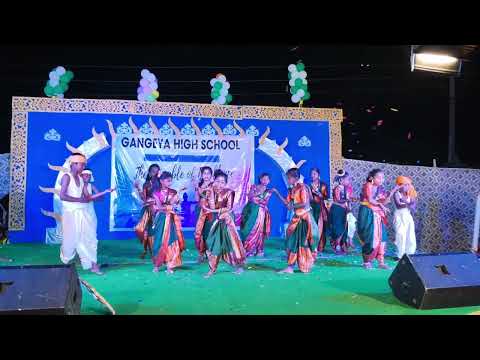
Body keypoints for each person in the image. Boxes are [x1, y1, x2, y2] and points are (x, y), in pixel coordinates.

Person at [59, 153, 102, 274]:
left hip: (85, 213)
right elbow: (62, 196)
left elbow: (87, 197)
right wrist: (79, 200)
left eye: (84, 164)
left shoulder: (82, 179)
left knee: (90, 238)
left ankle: (93, 264)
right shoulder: (66, 177)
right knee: (70, 241)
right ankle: (66, 259)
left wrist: (100, 194)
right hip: (70, 214)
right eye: (81, 164)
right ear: (73, 164)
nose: (83, 166)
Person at [273, 168, 320, 274]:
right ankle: (290, 267)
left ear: (295, 178)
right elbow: (288, 204)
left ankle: (305, 265)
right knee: (292, 241)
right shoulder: (291, 189)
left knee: (304, 242)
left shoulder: (302, 188)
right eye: (287, 178)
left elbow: (304, 203)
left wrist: (293, 205)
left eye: (289, 178)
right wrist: (277, 194)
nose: (287, 180)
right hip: (296, 218)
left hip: (304, 218)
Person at [203, 169, 246, 278]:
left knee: (232, 243)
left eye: (222, 182)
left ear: (226, 183)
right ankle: (212, 269)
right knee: (214, 243)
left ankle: (239, 266)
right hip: (216, 221)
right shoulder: (210, 191)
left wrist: (213, 211)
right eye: (218, 181)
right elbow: (206, 204)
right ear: (214, 180)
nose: (220, 184)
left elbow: (229, 208)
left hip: (227, 220)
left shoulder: (229, 192)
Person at [357, 169, 399, 270]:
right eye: (379, 177)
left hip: (378, 215)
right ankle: (366, 262)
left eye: (383, 178)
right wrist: (380, 205)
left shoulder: (380, 189)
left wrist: (394, 190)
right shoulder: (368, 185)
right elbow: (370, 200)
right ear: (372, 178)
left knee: (382, 238)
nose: (382, 180)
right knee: (370, 238)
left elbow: (385, 202)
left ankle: (381, 262)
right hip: (367, 213)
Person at [79, 169, 115, 275]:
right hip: (79, 215)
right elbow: (88, 198)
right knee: (82, 239)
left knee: (92, 239)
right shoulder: (77, 186)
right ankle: (88, 263)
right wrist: (102, 193)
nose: (87, 177)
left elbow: (100, 198)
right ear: (81, 175)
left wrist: (100, 194)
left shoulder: (91, 186)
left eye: (89, 175)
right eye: (85, 175)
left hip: (90, 214)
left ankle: (94, 265)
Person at [151, 171, 185, 274]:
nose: (170, 182)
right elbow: (159, 208)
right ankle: (157, 264)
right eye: (167, 180)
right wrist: (169, 206)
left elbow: (176, 203)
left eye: (171, 180)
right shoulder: (156, 193)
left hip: (171, 218)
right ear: (161, 181)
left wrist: (179, 195)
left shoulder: (174, 192)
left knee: (171, 239)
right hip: (161, 219)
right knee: (159, 240)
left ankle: (170, 265)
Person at [240, 173, 274, 257]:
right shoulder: (254, 186)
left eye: (267, 179)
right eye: (263, 178)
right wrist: (257, 198)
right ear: (260, 179)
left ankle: (258, 249)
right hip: (251, 211)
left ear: (269, 181)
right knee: (248, 228)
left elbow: (264, 202)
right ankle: (248, 249)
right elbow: (250, 197)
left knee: (259, 231)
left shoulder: (268, 191)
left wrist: (256, 198)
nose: (265, 180)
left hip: (261, 213)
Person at [327, 170, 357, 254]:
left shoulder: (346, 188)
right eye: (347, 179)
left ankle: (341, 245)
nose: (348, 181)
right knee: (338, 229)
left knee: (344, 228)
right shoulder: (337, 188)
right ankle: (337, 246)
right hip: (337, 210)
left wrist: (351, 200)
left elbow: (347, 199)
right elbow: (338, 199)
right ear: (341, 180)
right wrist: (348, 199)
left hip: (343, 210)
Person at [134, 164, 161, 259]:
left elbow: (162, 198)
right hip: (147, 209)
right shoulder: (146, 184)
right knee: (140, 229)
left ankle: (154, 251)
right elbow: (144, 198)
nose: (155, 173)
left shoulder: (160, 184)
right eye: (153, 171)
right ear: (149, 172)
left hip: (157, 209)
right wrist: (138, 188)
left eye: (157, 172)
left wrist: (155, 204)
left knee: (153, 231)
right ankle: (145, 250)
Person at [392, 176, 418, 261]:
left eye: (408, 185)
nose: (408, 186)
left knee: (410, 235)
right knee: (400, 234)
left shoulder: (410, 194)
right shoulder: (396, 193)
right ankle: (400, 255)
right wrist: (408, 203)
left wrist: (406, 202)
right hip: (399, 216)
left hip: (408, 216)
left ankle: (409, 254)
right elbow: (399, 205)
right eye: (405, 185)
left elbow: (414, 207)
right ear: (400, 185)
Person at [193, 166, 214, 263]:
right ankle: (201, 253)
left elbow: (208, 197)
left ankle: (209, 253)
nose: (206, 175)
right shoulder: (199, 185)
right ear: (201, 175)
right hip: (200, 209)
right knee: (199, 231)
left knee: (209, 231)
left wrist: (198, 189)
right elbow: (197, 199)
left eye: (208, 173)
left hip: (209, 210)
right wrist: (197, 188)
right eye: (204, 173)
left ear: (211, 175)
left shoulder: (213, 185)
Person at [308, 168, 329, 254]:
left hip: (320, 207)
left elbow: (326, 197)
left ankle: (320, 246)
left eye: (314, 174)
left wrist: (320, 194)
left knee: (320, 226)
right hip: (312, 208)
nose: (312, 175)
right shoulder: (309, 185)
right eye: (311, 174)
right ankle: (312, 246)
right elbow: (308, 198)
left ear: (318, 175)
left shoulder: (323, 185)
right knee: (311, 226)